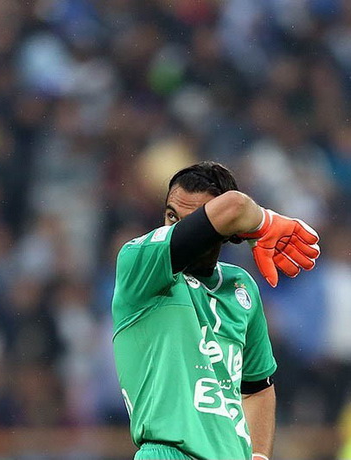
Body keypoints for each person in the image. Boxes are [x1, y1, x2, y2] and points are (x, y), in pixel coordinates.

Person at [112, 161, 320, 460]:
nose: (179, 230)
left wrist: (258, 456)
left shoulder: (241, 286)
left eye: (197, 220)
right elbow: (235, 205)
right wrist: (265, 223)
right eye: (172, 216)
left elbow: (257, 388)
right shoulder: (140, 265)